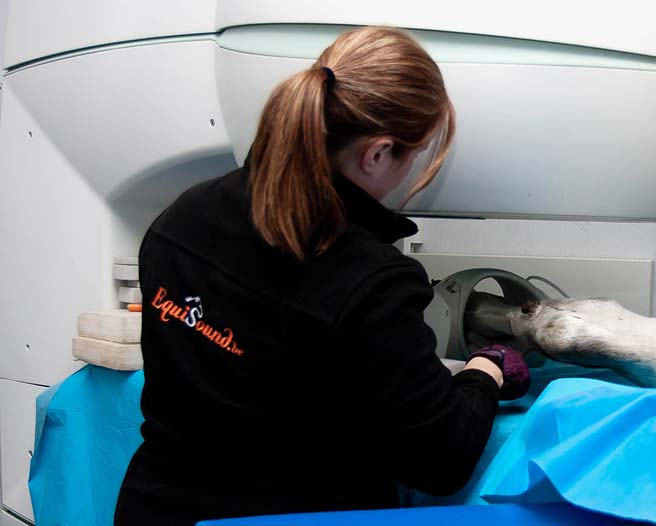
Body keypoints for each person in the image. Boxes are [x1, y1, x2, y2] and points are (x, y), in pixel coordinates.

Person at [114, 26, 530, 525]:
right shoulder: (373, 281)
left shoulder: (183, 214)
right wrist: (485, 371)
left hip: (153, 508)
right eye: (417, 155)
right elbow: (441, 460)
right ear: (377, 153)